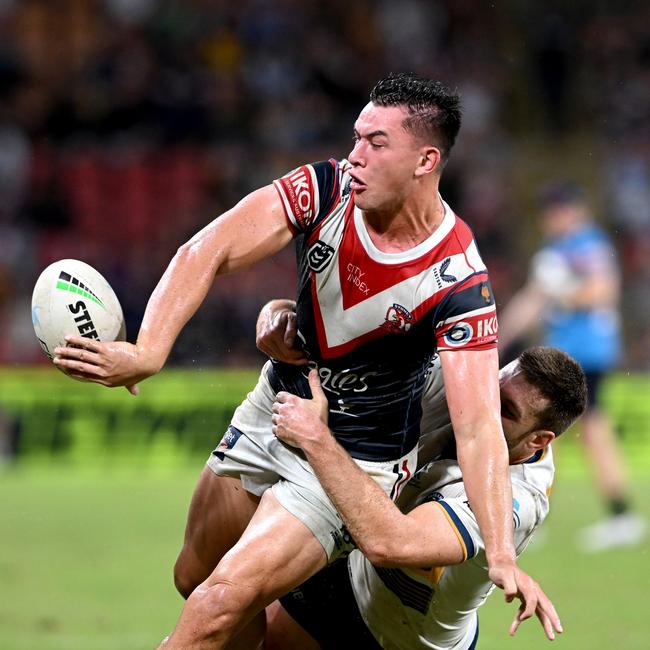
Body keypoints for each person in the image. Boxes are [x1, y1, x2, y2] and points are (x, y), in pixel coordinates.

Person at [53, 72, 554, 648]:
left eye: (376, 143)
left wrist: (500, 552)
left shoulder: (458, 280)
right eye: (356, 137)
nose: (355, 155)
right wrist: (148, 351)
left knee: (217, 605)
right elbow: (208, 248)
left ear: (425, 160)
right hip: (276, 404)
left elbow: (477, 426)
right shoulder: (325, 188)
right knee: (193, 579)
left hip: (350, 457)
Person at [265, 346, 587, 649]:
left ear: (538, 440)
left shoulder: (516, 501)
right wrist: (276, 317)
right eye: (493, 386)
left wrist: (316, 438)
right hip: (353, 568)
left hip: (400, 635)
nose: (485, 405)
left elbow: (390, 543)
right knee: (244, 615)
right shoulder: (469, 389)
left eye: (505, 410)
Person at [498, 180, 647, 553]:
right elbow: (535, 297)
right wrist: (495, 335)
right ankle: (538, 515)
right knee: (551, 433)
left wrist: (563, 291)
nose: (551, 218)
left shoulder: (587, 245)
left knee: (584, 430)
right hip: (566, 354)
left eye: (557, 210)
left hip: (585, 354)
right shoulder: (559, 249)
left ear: (574, 210)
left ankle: (619, 515)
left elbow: (602, 292)